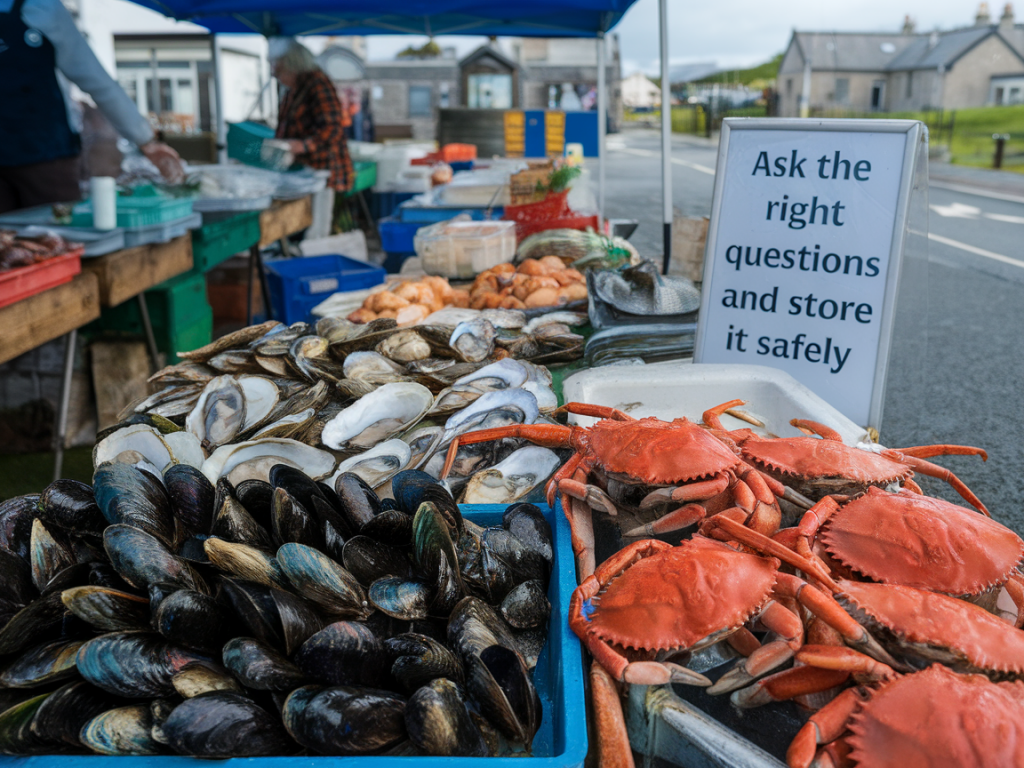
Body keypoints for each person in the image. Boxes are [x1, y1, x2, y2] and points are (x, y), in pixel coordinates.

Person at [0, 0, 184, 213]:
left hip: (46, 156)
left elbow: (96, 81)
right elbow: (96, 81)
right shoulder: (45, 7)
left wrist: (144, 139)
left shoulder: (42, 9)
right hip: (48, 158)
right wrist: (145, 139)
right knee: (58, 235)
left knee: (57, 237)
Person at [271, 38, 354, 202]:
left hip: (323, 172)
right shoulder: (293, 90)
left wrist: (302, 145)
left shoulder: (317, 84)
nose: (276, 75)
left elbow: (332, 129)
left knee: (320, 223)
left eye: (280, 71)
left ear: (293, 67)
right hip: (303, 173)